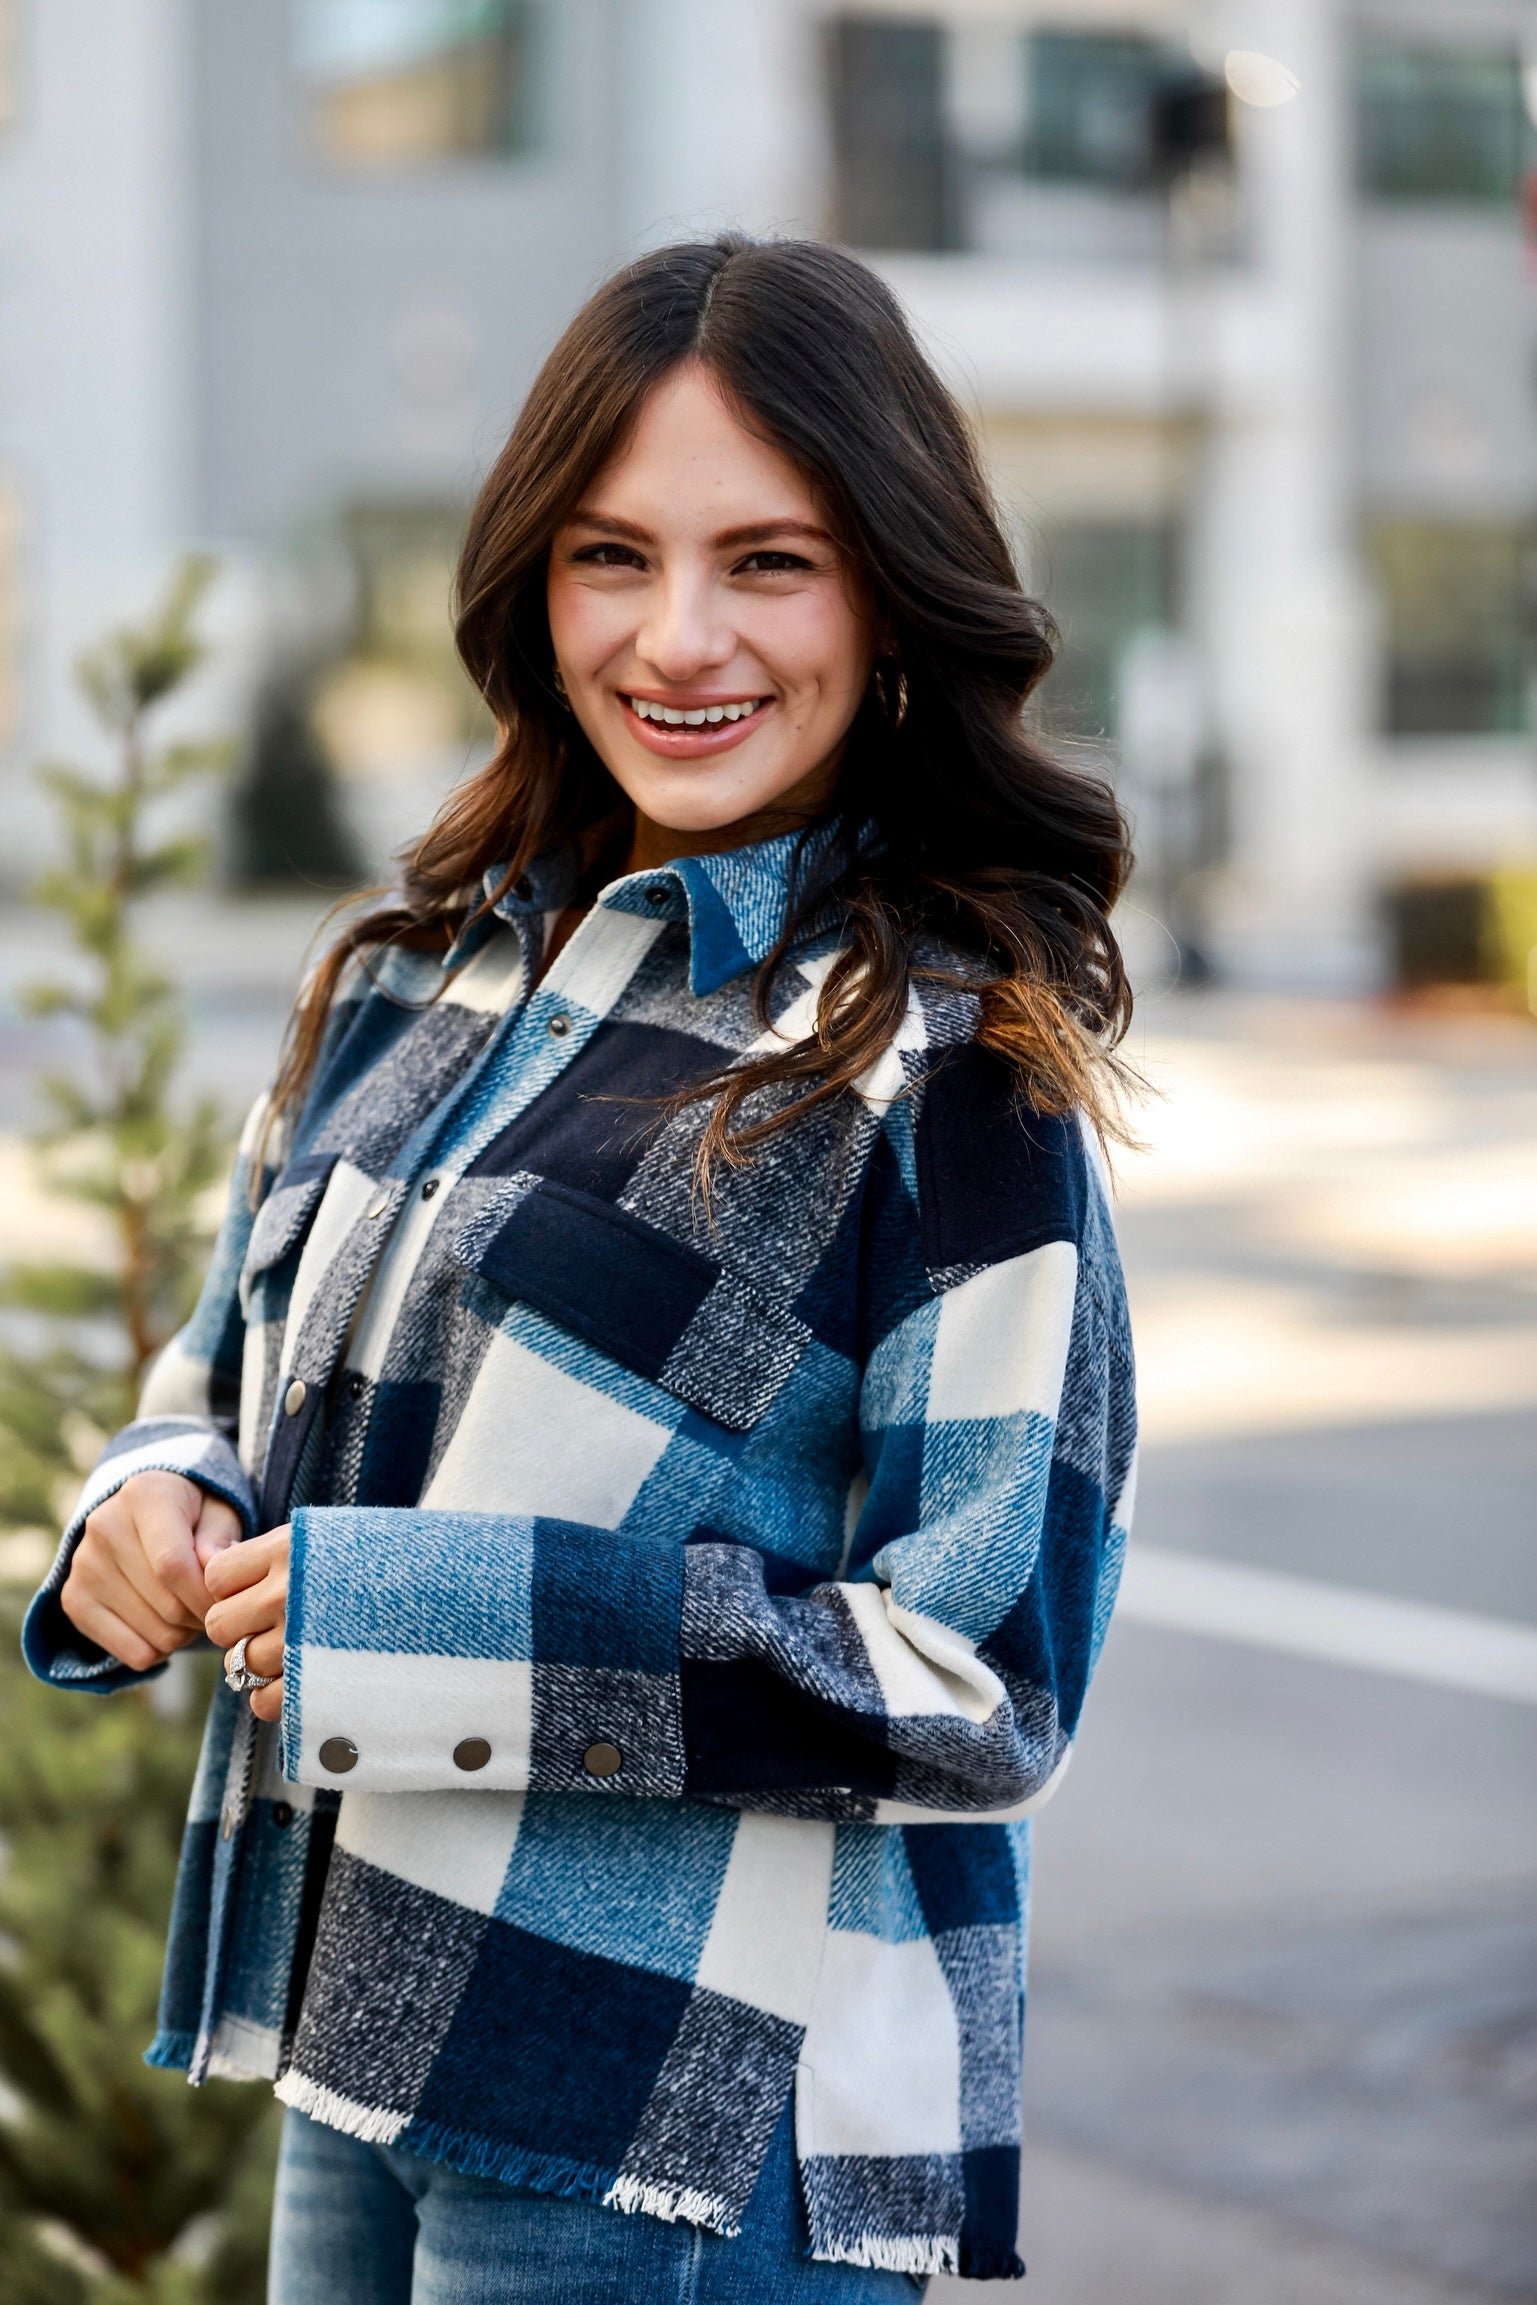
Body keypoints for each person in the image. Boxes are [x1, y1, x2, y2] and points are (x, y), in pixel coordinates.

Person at [24, 234, 1138, 2301]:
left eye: (769, 562)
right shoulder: (421, 973)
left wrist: (446, 1617)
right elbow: (224, 1366)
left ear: (892, 590)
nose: (678, 635)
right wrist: (146, 1494)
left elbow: (989, 1681)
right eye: (610, 556)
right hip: (362, 2027)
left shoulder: (944, 1065)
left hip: (690, 2126)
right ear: (531, 588)